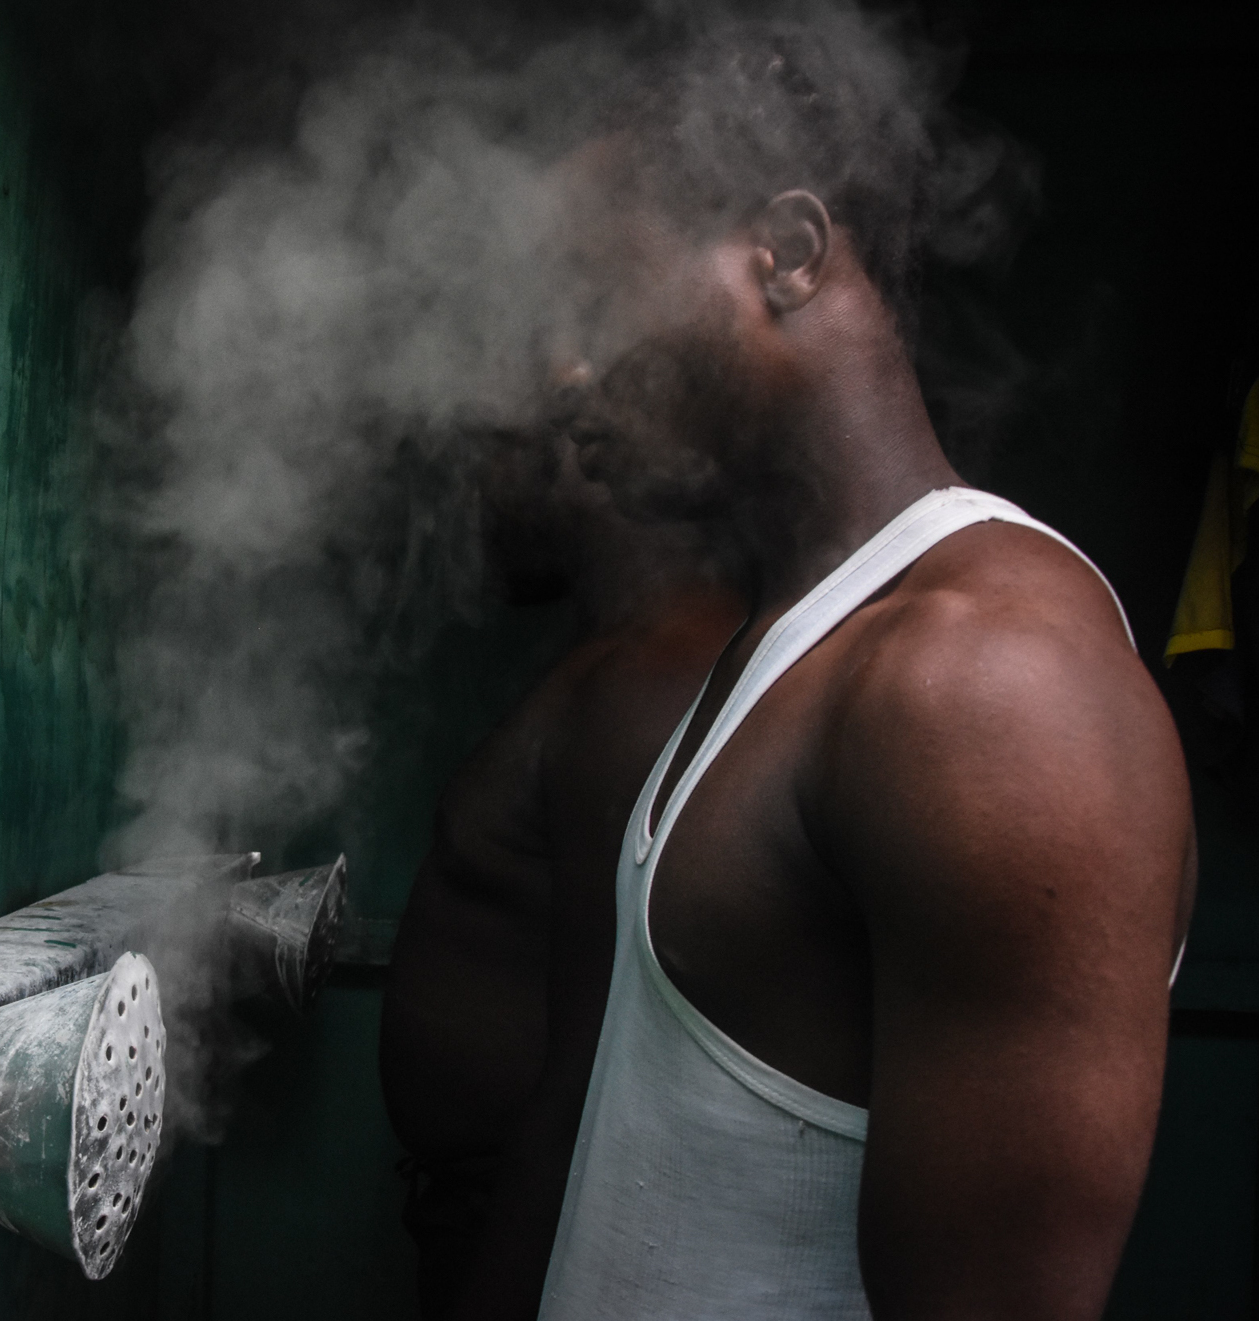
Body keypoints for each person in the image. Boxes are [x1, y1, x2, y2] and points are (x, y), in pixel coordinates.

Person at [436, 16, 1197, 1321]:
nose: (560, 372)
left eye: (589, 298)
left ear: (783, 255)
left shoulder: (987, 691)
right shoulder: (781, 643)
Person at [379, 422, 741, 1318]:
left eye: (500, 441)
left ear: (588, 454)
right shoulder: (611, 665)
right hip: (492, 1208)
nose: (478, 485)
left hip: (533, 1233)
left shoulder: (648, 679)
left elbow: (593, 1076)